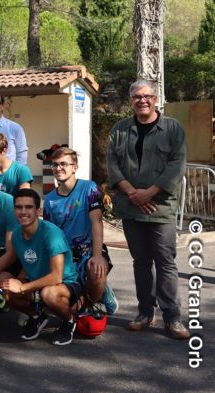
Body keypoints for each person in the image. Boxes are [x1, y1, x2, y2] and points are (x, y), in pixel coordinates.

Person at [106, 79, 189, 340]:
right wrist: (133, 193)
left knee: (165, 262)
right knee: (141, 262)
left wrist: (149, 193)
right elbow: (112, 164)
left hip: (160, 206)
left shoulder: (172, 128)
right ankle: (145, 312)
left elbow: (177, 164)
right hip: (131, 206)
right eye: (137, 97)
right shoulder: (120, 130)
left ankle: (172, 318)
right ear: (131, 100)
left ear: (156, 99)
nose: (142, 100)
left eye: (147, 96)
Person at [1, 189, 81, 346]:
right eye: (19, 207)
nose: (23, 212)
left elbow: (56, 276)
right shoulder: (16, 235)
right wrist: (15, 284)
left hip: (64, 283)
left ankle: (69, 320)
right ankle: (37, 317)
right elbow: (28, 263)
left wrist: (22, 287)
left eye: (29, 207)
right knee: (5, 288)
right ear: (14, 210)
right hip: (36, 281)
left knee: (49, 294)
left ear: (38, 210)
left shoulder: (52, 234)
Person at [43, 147, 118, 315]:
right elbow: (49, 234)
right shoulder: (49, 200)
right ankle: (86, 301)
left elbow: (96, 221)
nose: (58, 168)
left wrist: (97, 256)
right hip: (65, 255)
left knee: (96, 272)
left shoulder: (89, 188)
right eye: (55, 165)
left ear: (75, 167)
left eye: (63, 164)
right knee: (53, 298)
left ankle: (96, 297)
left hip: (89, 249)